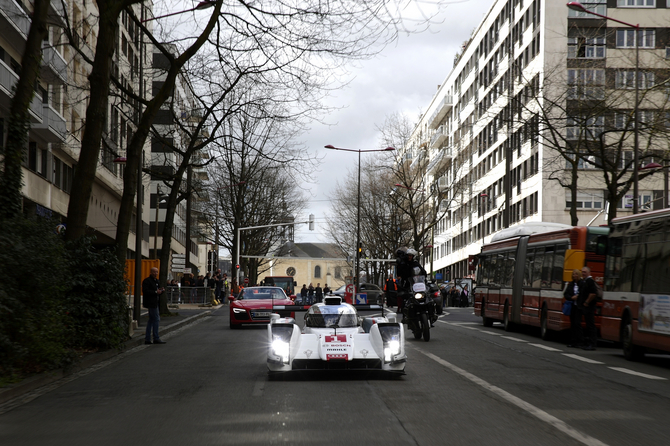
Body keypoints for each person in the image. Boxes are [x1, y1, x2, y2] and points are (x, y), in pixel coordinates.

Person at [396, 248, 427, 317]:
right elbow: (399, 273)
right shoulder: (404, 264)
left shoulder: (415, 263)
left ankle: (430, 315)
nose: (410, 257)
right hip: (407, 284)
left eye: (411, 256)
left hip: (417, 283)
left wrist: (424, 276)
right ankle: (405, 315)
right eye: (409, 255)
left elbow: (422, 271)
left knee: (426, 296)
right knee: (405, 298)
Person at [142, 267, 166, 345]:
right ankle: (156, 337)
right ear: (151, 272)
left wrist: (161, 291)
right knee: (156, 319)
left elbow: (157, 291)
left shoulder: (157, 281)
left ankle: (148, 338)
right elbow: (145, 291)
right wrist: (156, 291)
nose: (155, 273)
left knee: (151, 320)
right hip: (151, 303)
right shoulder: (147, 281)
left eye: (157, 272)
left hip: (155, 302)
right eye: (154, 272)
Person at [578, 266, 598, 350]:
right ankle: (588, 342)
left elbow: (593, 293)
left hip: (589, 307)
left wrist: (587, 302)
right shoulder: (585, 281)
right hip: (585, 307)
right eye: (582, 272)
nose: (583, 273)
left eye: (585, 272)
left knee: (590, 325)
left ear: (589, 273)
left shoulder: (590, 281)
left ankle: (592, 344)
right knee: (587, 325)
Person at [564, 269, 584, 348]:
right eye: (573, 274)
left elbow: (583, 294)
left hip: (579, 306)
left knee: (577, 323)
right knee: (572, 324)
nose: (574, 275)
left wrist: (578, 297)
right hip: (572, 306)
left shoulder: (582, 284)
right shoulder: (571, 284)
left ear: (579, 275)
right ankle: (573, 341)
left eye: (576, 274)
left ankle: (581, 341)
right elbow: (566, 294)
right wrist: (571, 297)